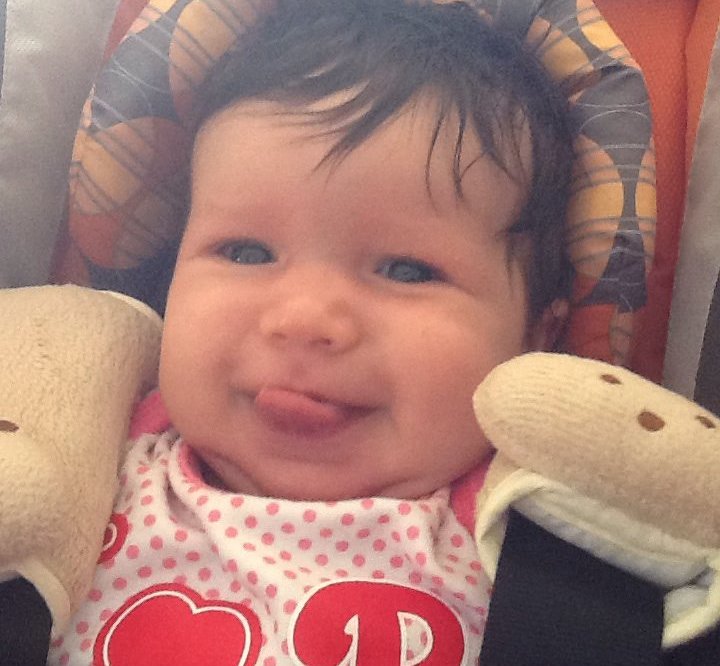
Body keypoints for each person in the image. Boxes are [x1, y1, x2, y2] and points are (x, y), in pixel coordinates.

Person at [49, 0, 574, 663]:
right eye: (245, 252)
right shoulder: (81, 455)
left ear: (536, 338)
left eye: (407, 270)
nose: (303, 320)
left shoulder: (543, 543)